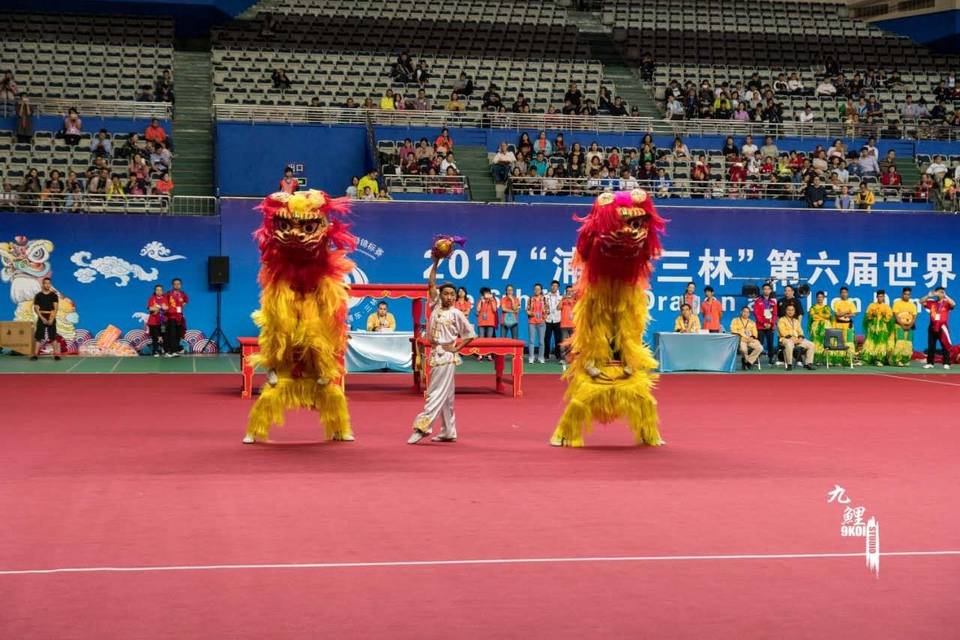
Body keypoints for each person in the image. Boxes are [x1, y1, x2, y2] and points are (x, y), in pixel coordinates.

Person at [407, 255, 475, 444]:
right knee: (446, 397)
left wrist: (455, 348)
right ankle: (448, 431)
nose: (449, 297)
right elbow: (431, 283)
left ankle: (422, 427)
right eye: (446, 294)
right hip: (435, 354)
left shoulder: (457, 313)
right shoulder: (435, 305)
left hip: (446, 357)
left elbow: (470, 335)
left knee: (435, 393)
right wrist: (436, 262)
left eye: (452, 294)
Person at [920, 287, 955, 369]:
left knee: (944, 345)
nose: (940, 293)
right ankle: (930, 363)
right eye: (938, 292)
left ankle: (946, 363)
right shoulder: (932, 303)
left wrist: (946, 296)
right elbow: (921, 301)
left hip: (942, 327)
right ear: (935, 293)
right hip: (932, 326)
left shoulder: (946, 303)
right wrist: (928, 296)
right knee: (931, 345)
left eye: (942, 292)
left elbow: (954, 304)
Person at [30, 277, 61, 360]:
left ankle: (56, 355)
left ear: (50, 284)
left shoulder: (54, 295)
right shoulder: (38, 295)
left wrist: (51, 318)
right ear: (43, 284)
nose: (47, 285)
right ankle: (35, 355)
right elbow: (36, 308)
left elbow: (56, 308)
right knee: (39, 337)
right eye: (45, 283)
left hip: (51, 316)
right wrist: (42, 318)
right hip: (41, 316)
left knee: (53, 336)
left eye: (49, 283)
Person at [861, 290, 894, 366]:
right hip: (872, 328)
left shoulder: (887, 307)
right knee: (870, 343)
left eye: (882, 296)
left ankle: (879, 360)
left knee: (881, 344)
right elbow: (866, 318)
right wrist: (872, 315)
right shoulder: (871, 305)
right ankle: (866, 359)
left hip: (882, 329)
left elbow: (890, 319)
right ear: (876, 297)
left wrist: (885, 315)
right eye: (879, 296)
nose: (880, 298)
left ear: (884, 298)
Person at [777, 305, 815, 370]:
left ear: (794, 312)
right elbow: (782, 331)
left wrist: (800, 338)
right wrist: (791, 338)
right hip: (785, 339)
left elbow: (800, 331)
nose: (790, 311)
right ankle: (789, 364)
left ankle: (808, 364)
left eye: (792, 310)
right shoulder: (781, 320)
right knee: (789, 344)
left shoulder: (796, 321)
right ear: (786, 311)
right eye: (788, 310)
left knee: (811, 345)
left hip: (797, 340)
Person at [831, 286, 858, 365]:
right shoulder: (837, 302)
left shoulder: (850, 302)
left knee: (849, 342)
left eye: (845, 292)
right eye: (842, 292)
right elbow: (837, 314)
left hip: (848, 326)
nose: (844, 294)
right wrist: (846, 312)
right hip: (838, 325)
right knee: (838, 342)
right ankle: (838, 360)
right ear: (840, 294)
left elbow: (854, 313)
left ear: (847, 293)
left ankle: (849, 359)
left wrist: (847, 314)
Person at [891, 287, 917, 367]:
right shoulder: (897, 303)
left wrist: (910, 325)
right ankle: (897, 360)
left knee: (908, 344)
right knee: (900, 342)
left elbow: (914, 317)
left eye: (908, 295)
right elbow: (896, 316)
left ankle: (905, 360)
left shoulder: (912, 305)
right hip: (899, 326)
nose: (907, 296)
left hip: (910, 327)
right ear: (902, 294)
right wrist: (902, 325)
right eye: (905, 294)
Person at [753, 282, 778, 365]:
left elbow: (774, 314)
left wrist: (771, 323)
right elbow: (756, 314)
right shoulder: (758, 301)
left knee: (770, 343)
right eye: (765, 289)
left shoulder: (773, 302)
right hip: (760, 326)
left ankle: (771, 358)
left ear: (770, 290)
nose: (766, 291)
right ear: (762, 290)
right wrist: (763, 323)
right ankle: (756, 358)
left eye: (768, 289)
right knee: (759, 343)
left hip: (770, 326)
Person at [806, 291, 833, 365]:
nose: (819, 299)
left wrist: (818, 314)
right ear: (816, 298)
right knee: (816, 343)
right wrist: (822, 315)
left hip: (826, 326)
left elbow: (828, 316)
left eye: (821, 297)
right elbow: (812, 316)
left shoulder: (826, 307)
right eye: (818, 297)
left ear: (823, 298)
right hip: (815, 327)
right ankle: (817, 360)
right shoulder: (813, 307)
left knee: (826, 342)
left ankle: (827, 360)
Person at [164, 278, 188, 357]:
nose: (177, 285)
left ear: (180, 285)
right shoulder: (168, 294)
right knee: (172, 334)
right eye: (175, 284)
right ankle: (171, 351)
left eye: (178, 284)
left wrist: (181, 306)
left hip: (179, 317)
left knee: (178, 334)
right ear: (172, 285)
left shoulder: (183, 294)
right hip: (171, 317)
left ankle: (176, 350)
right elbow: (164, 303)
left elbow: (185, 301)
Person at [543, 280, 563, 362]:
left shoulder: (561, 297)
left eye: (556, 286)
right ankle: (546, 355)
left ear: (558, 287)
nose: (554, 287)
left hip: (557, 319)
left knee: (558, 339)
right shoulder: (546, 296)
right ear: (550, 286)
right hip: (548, 320)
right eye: (553, 285)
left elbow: (561, 308)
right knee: (547, 338)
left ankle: (558, 355)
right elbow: (543, 307)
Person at [526, 283, 546, 363]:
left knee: (541, 341)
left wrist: (544, 317)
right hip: (532, 322)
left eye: (538, 289)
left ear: (541, 290)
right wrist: (531, 313)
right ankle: (531, 357)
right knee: (531, 341)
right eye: (535, 289)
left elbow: (547, 309)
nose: (537, 290)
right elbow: (527, 309)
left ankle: (541, 357)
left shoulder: (544, 299)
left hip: (541, 323)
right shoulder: (531, 299)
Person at [146, 284, 167, 356]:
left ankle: (164, 350)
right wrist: (160, 307)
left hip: (163, 322)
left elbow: (166, 308)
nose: (159, 291)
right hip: (153, 322)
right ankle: (155, 351)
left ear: (162, 291)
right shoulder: (152, 298)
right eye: (157, 290)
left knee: (163, 336)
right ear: (155, 291)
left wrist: (157, 307)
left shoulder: (165, 299)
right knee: (155, 337)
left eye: (160, 290)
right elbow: (150, 308)